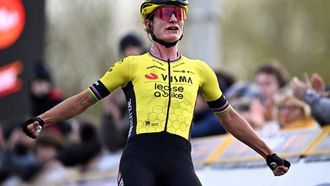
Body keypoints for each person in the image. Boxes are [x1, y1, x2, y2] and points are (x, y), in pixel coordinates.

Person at [22, 0, 290, 185]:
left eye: (179, 13)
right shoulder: (131, 65)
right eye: (164, 13)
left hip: (179, 161)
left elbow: (230, 118)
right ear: (148, 24)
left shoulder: (200, 70)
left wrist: (269, 154)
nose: (173, 18)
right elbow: (83, 100)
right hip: (140, 159)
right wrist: (43, 120)